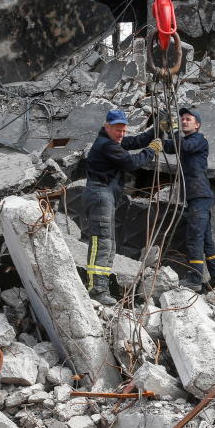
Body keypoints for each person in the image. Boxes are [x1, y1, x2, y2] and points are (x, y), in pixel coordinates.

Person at [83, 109, 162, 305]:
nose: (122, 135)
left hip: (106, 196)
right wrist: (152, 150)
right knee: (101, 242)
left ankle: (100, 288)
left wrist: (156, 129)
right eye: (118, 130)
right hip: (101, 196)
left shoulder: (113, 140)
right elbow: (132, 162)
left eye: (124, 131)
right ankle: (96, 290)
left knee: (108, 243)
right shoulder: (106, 146)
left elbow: (135, 142)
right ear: (107, 126)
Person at [165, 107, 215, 290]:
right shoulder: (186, 141)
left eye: (188, 119)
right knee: (206, 240)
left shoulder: (198, 139)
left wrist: (174, 130)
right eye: (182, 119)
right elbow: (170, 147)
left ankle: (195, 278)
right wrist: (164, 131)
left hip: (199, 195)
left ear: (197, 125)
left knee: (194, 237)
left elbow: (184, 146)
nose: (184, 121)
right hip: (197, 197)